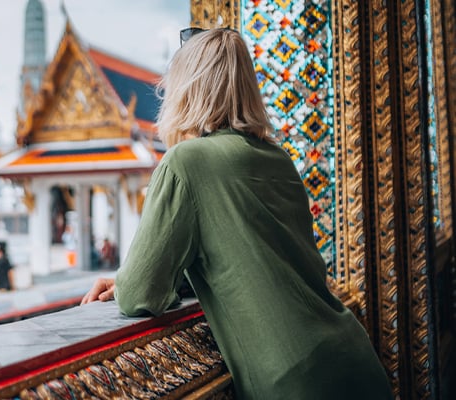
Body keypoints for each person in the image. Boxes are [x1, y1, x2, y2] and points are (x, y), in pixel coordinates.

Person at [81, 28, 392, 400]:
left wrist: (125, 282)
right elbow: (251, 255)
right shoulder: (279, 159)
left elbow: (137, 295)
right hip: (354, 358)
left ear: (186, 89)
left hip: (295, 383)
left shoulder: (185, 162)